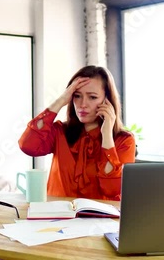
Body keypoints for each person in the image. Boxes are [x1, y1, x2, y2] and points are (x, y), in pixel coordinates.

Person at [18, 65, 135, 201]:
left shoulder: (124, 140)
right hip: (57, 217)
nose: (82, 104)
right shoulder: (60, 131)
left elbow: (111, 189)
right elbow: (27, 145)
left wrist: (107, 136)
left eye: (92, 97)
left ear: (107, 101)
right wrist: (61, 100)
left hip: (100, 220)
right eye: (77, 96)